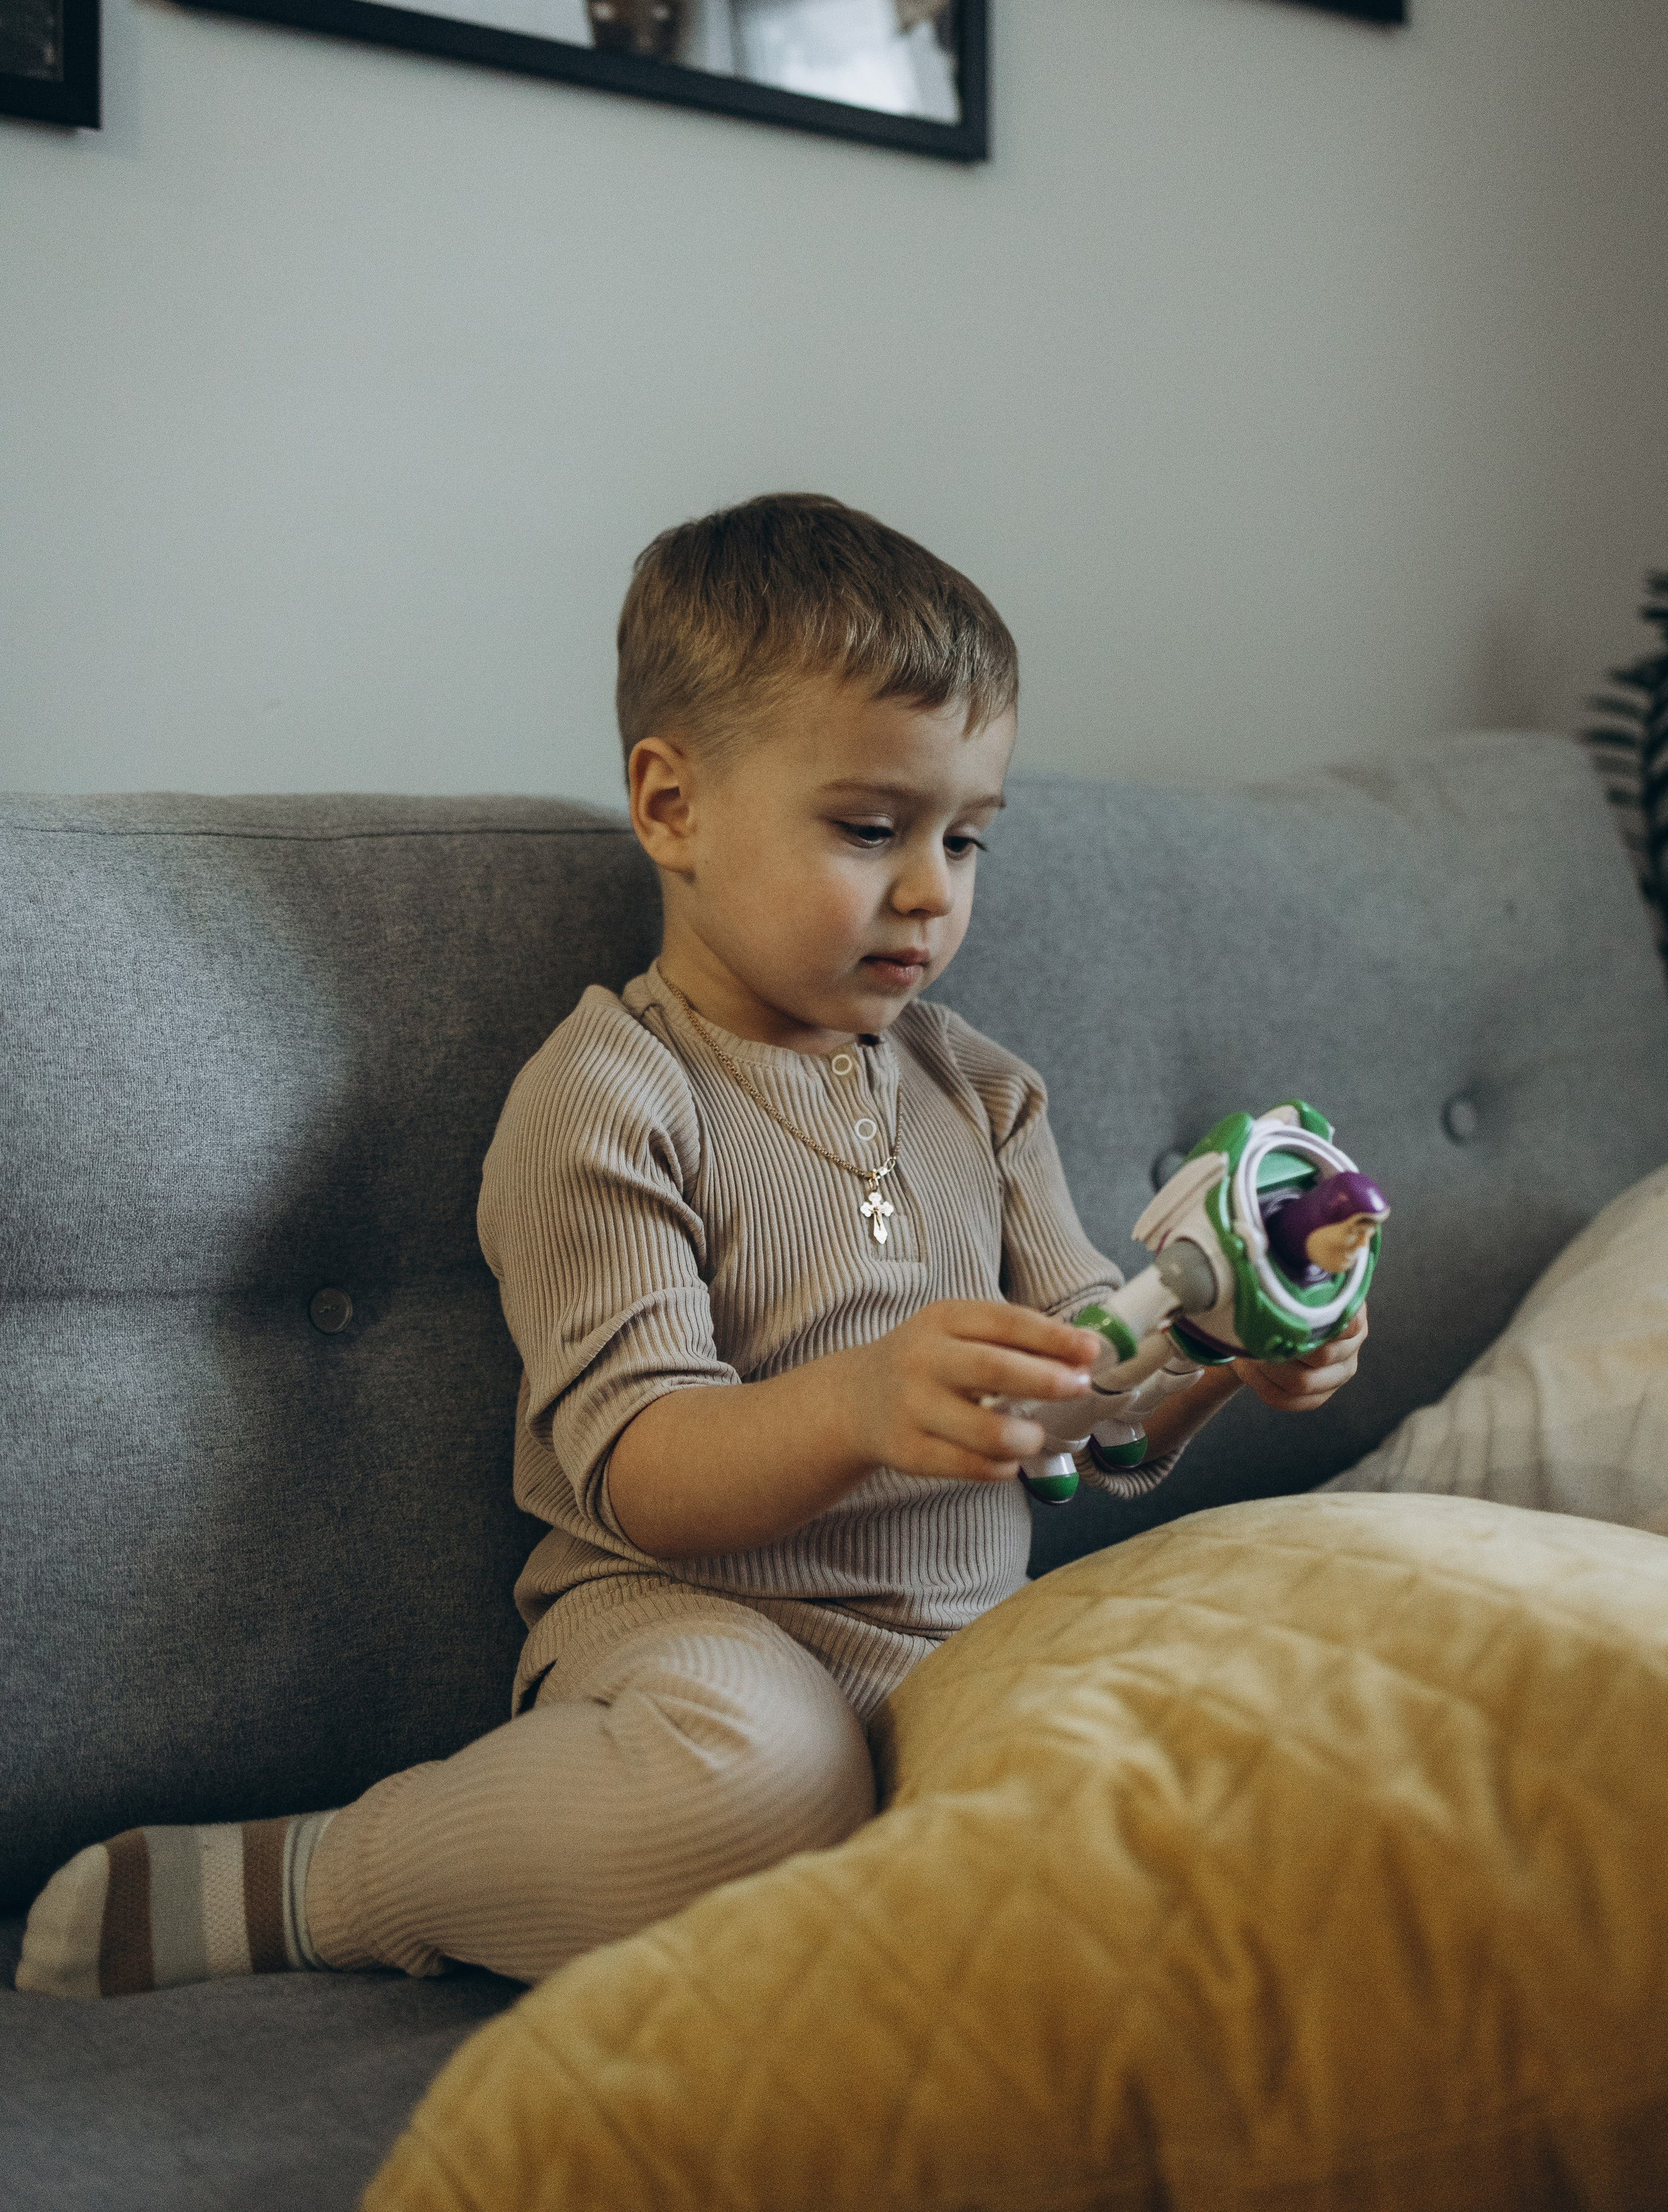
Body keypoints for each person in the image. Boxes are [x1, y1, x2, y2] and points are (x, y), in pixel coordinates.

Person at [17, 495, 1365, 2000]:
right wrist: (861, 1406)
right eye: (870, 829)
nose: (931, 891)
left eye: (966, 837)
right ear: (671, 808)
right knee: (756, 1788)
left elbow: (1084, 1426)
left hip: (959, 1647)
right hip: (694, 1637)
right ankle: (323, 1878)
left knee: (1211, 1769)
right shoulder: (610, 1098)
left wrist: (1212, 1350)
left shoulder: (982, 1094)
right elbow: (641, 1469)